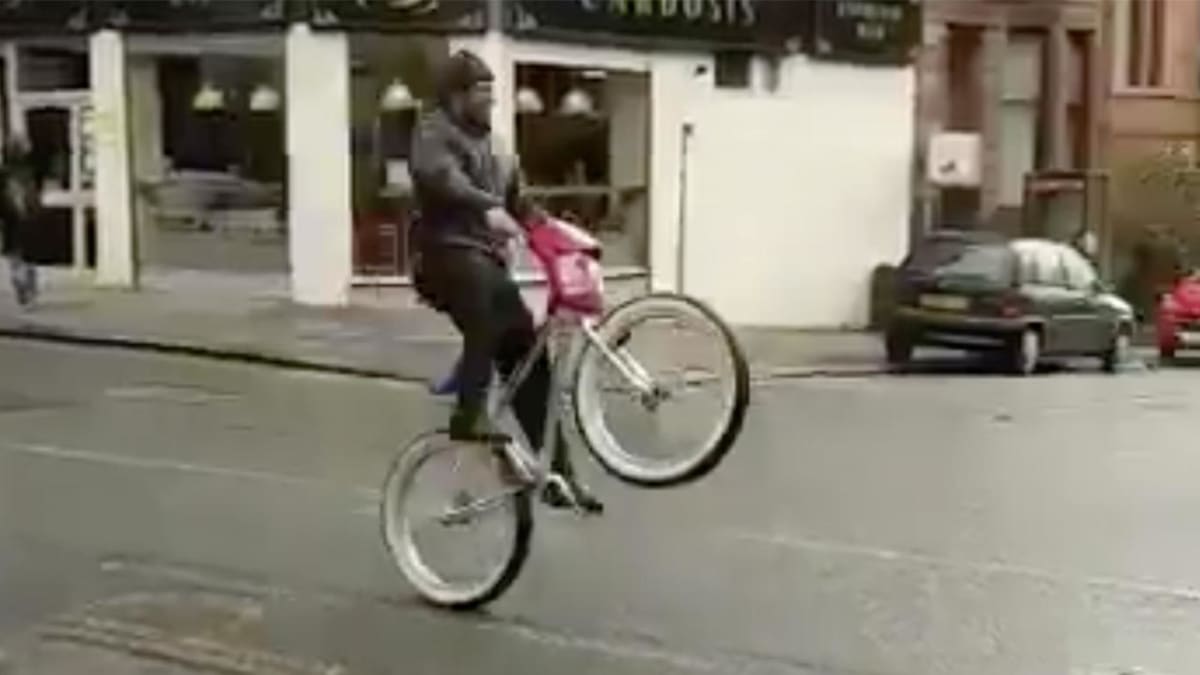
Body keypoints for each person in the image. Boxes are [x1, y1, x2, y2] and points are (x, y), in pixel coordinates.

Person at [410, 50, 602, 512]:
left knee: (529, 357)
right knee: (486, 298)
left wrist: (557, 234)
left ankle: (558, 473)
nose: (490, 100)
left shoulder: (498, 148)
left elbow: (521, 204)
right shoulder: (433, 133)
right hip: (442, 256)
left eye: (492, 92)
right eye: (481, 91)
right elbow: (443, 179)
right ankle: (468, 414)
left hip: (485, 262)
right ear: (455, 96)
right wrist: (485, 207)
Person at [0, 136, 40, 308]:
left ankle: (22, 287)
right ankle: (28, 287)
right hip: (27, 221)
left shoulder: (4, 173)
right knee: (29, 257)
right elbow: (36, 197)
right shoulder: (29, 172)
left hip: (11, 221)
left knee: (15, 258)